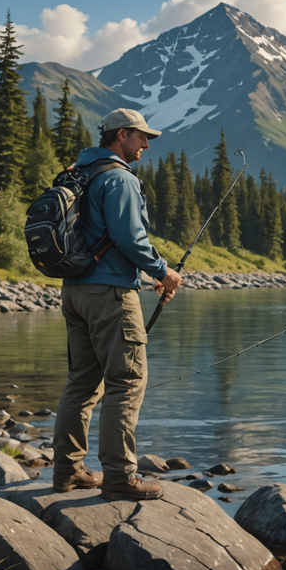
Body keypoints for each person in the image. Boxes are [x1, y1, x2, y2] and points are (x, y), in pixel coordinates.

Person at [50, 108, 182, 500]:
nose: (146, 144)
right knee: (126, 383)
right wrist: (163, 271)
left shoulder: (79, 171)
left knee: (82, 382)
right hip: (109, 294)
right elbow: (129, 238)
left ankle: (67, 470)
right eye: (142, 137)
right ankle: (120, 478)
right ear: (121, 135)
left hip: (74, 291)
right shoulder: (119, 178)